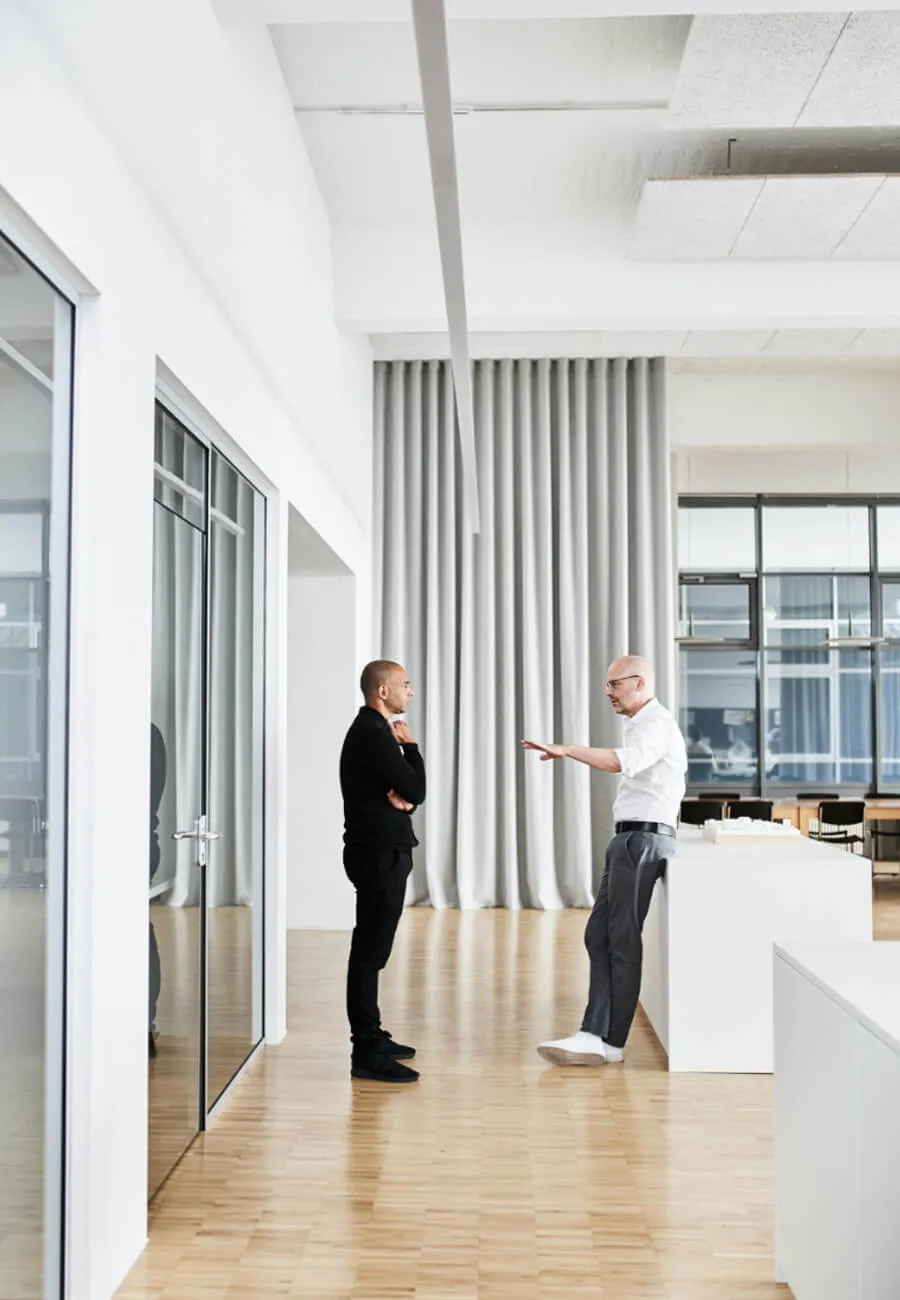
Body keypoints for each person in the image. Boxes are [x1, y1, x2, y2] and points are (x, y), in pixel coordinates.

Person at [521, 655, 686, 1066]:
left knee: (622, 939)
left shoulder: (656, 724)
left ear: (641, 682)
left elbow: (619, 763)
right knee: (599, 935)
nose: (609, 692)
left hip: (643, 838)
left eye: (615, 685)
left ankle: (609, 1040)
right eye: (607, 686)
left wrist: (566, 749)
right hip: (629, 838)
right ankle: (593, 1033)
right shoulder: (641, 725)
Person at [340, 660, 427, 1083]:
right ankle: (366, 1051)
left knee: (372, 953)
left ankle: (373, 1036)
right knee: (368, 955)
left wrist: (407, 796)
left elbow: (408, 794)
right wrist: (410, 748)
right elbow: (416, 789)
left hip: (381, 852)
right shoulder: (374, 735)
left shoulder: (374, 733)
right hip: (378, 855)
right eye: (404, 686)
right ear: (382, 691)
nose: (410, 693)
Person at [148, 722, 167, 1058]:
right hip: (146, 844)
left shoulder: (147, 735)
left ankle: (144, 1024)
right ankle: (145, 1025)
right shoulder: (151, 734)